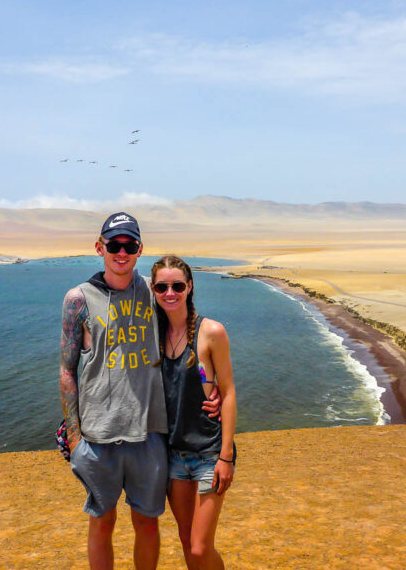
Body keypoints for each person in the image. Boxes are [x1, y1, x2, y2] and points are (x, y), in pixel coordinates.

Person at [59, 213, 220, 570]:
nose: (121, 253)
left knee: (146, 522)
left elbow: (188, 336)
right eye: (114, 245)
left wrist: (210, 386)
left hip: (149, 435)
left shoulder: (156, 292)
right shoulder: (78, 299)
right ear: (99, 247)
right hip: (98, 437)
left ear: (139, 250)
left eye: (129, 246)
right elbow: (67, 369)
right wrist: (73, 436)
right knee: (102, 522)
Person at [151, 255, 237, 570]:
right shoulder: (153, 337)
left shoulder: (210, 332)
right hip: (173, 457)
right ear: (154, 289)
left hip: (209, 455)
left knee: (201, 549)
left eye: (177, 285)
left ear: (189, 287)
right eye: (162, 286)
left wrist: (226, 457)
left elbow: (227, 393)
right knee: (187, 542)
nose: (169, 293)